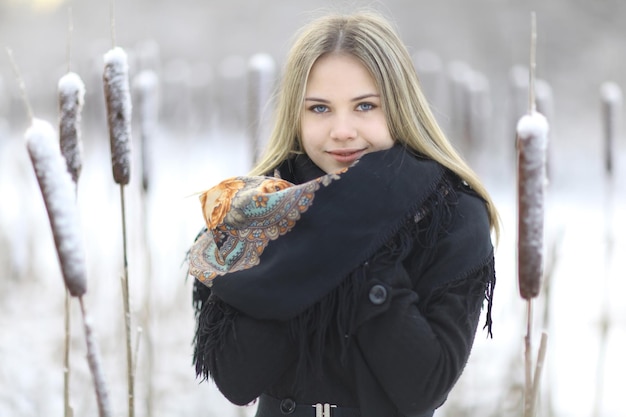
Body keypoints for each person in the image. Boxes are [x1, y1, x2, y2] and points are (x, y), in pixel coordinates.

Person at [187, 9, 499, 417]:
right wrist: (310, 237)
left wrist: (358, 242)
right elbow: (238, 377)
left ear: (399, 107)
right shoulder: (256, 212)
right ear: (296, 116)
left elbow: (423, 386)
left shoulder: (450, 215)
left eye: (365, 106)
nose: (342, 130)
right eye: (319, 109)